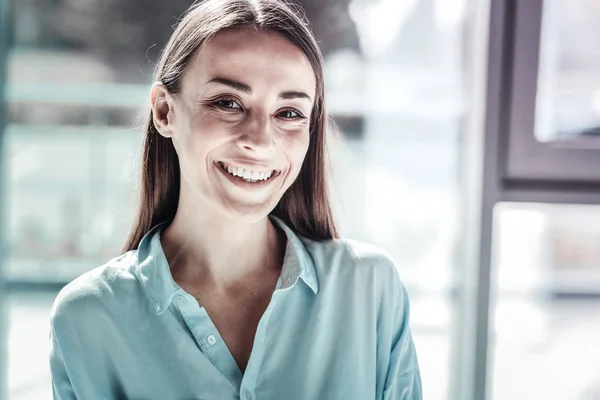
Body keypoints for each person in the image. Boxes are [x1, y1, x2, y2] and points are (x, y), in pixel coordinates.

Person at [48, 0, 422, 398]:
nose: (260, 140)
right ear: (164, 111)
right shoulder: (87, 318)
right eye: (228, 103)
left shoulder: (370, 290)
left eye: (290, 112)